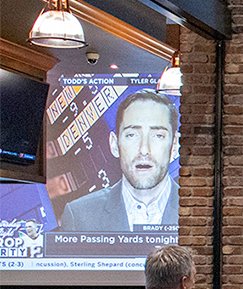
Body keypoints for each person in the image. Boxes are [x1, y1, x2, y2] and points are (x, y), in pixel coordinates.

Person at [59, 90, 180, 231]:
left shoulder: (204, 212)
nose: (144, 149)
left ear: (175, 144)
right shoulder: (79, 215)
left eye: (158, 135)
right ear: (114, 144)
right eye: (132, 135)